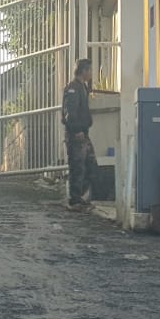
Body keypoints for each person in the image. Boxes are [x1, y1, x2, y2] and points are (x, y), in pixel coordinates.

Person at [62, 57, 96, 207]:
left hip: (83, 132)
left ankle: (81, 196)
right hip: (77, 134)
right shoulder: (74, 88)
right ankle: (75, 199)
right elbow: (70, 112)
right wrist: (76, 131)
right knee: (77, 166)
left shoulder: (82, 87)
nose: (91, 73)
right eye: (90, 70)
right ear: (84, 71)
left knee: (89, 164)